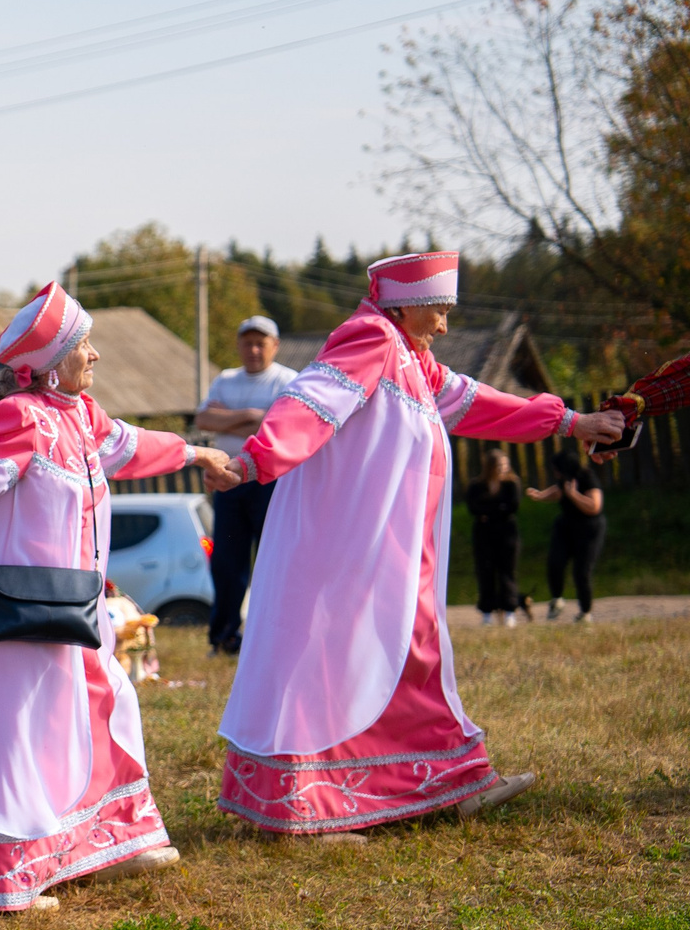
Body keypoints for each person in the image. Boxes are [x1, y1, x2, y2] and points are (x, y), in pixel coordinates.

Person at [216, 252, 623, 839]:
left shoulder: (413, 359)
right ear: (405, 304)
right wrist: (256, 458)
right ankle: (307, 806)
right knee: (343, 658)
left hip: (399, 548)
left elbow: (476, 401)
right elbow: (309, 401)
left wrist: (570, 423)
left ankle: (455, 782)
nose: (446, 325)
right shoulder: (371, 339)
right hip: (355, 546)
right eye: (440, 309)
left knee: (413, 653)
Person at [0, 284, 237, 913]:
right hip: (21, 610)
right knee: (19, 733)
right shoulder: (21, 417)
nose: (95, 357)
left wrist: (197, 450)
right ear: (47, 363)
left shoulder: (80, 416)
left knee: (106, 703)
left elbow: (133, 445)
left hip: (76, 607)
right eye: (84, 346)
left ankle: (115, 839)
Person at [193, 314, 297, 654]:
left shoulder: (288, 381)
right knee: (226, 561)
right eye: (247, 342)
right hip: (229, 482)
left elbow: (284, 430)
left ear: (274, 346)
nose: (253, 350)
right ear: (239, 345)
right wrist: (254, 416)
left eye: (260, 343)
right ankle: (224, 636)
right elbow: (204, 418)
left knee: (273, 559)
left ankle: (274, 636)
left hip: (272, 482)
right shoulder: (225, 379)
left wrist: (233, 420)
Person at [530, 447, 607, 623]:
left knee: (581, 571)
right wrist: (541, 495)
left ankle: (585, 613)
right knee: (555, 562)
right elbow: (558, 491)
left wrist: (573, 495)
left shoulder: (587, 477)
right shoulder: (565, 480)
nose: (554, 472)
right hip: (567, 525)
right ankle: (557, 599)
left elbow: (594, 506)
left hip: (589, 529)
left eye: (556, 468)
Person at [467, 449, 525, 625]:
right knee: (485, 571)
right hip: (484, 535)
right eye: (499, 465)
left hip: (507, 533)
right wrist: (497, 508)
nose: (503, 469)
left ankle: (509, 610)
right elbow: (473, 508)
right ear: (490, 467)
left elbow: (512, 506)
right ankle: (487, 611)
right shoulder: (476, 485)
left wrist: (488, 511)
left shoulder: (511, 485)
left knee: (507, 571)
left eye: (505, 465)